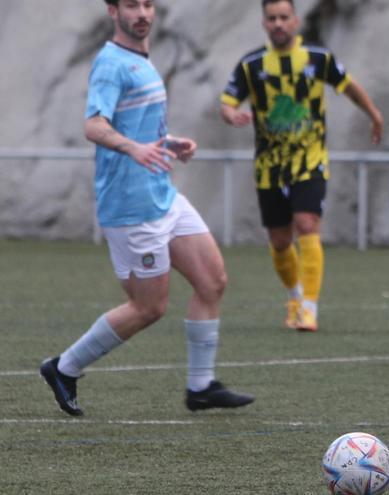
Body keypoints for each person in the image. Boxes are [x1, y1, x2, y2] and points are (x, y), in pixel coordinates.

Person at [39, 0, 254, 416]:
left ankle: (201, 386)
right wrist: (135, 148)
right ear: (112, 10)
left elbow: (133, 123)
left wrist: (168, 141)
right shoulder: (112, 63)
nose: (142, 13)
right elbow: (95, 125)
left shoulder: (142, 59)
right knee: (148, 307)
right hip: (132, 206)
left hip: (163, 194)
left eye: (148, 4)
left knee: (212, 281)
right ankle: (64, 367)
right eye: (132, 5)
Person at [220, 0, 384, 332]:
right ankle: (294, 297)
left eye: (284, 17)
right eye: (272, 18)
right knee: (280, 241)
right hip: (269, 166)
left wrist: (374, 114)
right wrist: (232, 114)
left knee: (307, 224)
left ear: (295, 21)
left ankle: (309, 307)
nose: (279, 23)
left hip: (309, 161)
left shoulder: (318, 59)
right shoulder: (251, 65)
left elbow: (349, 86)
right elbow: (227, 101)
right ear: (264, 23)